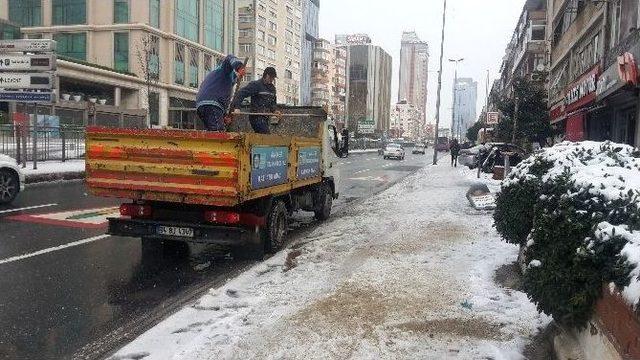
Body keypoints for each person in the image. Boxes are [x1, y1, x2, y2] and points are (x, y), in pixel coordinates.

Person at [195, 55, 245, 131]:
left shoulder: (217, 78)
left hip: (202, 105)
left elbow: (221, 97)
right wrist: (239, 67)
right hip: (212, 103)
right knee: (218, 132)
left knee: (212, 131)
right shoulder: (226, 71)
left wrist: (223, 116)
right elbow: (229, 58)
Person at [230, 67, 279, 134]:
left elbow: (272, 103)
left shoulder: (272, 88)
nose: (272, 80)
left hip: (265, 117)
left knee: (262, 137)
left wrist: (275, 110)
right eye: (271, 78)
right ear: (267, 76)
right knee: (266, 136)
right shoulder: (256, 85)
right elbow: (241, 93)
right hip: (256, 117)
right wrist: (237, 108)